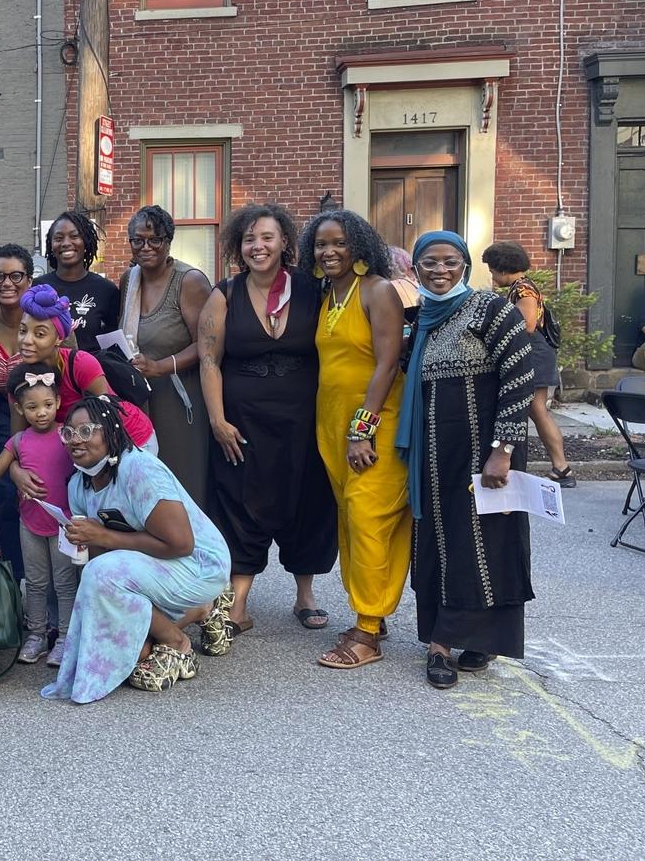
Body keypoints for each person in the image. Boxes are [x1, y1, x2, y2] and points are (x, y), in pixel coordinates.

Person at [397, 231, 534, 689]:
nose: (440, 271)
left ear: (465, 266)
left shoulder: (491, 309)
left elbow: (519, 377)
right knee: (439, 538)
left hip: (486, 446)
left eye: (450, 262)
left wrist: (504, 450)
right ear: (415, 268)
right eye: (429, 262)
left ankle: (482, 638)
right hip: (435, 453)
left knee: (488, 539)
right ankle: (439, 642)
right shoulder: (417, 319)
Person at [197, 203, 337, 636]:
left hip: (304, 419)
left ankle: (305, 595)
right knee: (239, 503)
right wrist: (217, 420)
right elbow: (208, 360)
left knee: (307, 503)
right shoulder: (226, 292)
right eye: (249, 239)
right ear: (238, 246)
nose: (258, 246)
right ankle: (239, 603)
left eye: (267, 237)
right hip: (242, 421)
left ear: (285, 243)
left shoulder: (313, 289)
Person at [43, 397, 231, 703]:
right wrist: (85, 541)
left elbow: (181, 543)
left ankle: (177, 642)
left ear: (112, 431)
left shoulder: (139, 470)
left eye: (87, 431)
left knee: (103, 577)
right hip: (149, 568)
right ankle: (199, 612)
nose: (76, 440)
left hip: (199, 565)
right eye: (69, 433)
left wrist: (104, 536)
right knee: (137, 650)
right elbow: (101, 562)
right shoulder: (79, 484)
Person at [297, 210, 409, 670]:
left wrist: (363, 429)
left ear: (358, 245)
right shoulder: (331, 294)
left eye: (339, 243)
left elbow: (387, 362)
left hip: (371, 425)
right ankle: (369, 615)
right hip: (332, 426)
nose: (329, 252)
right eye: (321, 245)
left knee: (369, 519)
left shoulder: (377, 290)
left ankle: (368, 632)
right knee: (350, 520)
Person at [0, 364, 76, 667]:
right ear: (19, 408)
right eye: (33, 407)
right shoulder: (18, 441)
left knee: (63, 584)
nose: (41, 413)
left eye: (48, 405)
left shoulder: (68, 436)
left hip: (64, 524)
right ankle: (35, 636)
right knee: (35, 582)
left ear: (59, 403)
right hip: (31, 522)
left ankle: (65, 638)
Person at [119, 205, 212, 506]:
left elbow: (208, 345)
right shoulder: (129, 281)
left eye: (154, 240)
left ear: (168, 241)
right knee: (148, 487)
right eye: (138, 240)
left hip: (179, 400)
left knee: (182, 485)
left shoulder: (189, 281)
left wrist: (160, 366)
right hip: (139, 398)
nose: (145, 247)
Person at [17, 284, 157, 453]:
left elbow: (106, 419)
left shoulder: (80, 365)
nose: (26, 340)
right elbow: (18, 439)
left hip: (129, 441)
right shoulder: (20, 377)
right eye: (23, 331)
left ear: (58, 339)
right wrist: (17, 468)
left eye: (39, 334)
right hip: (82, 448)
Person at [481, 240, 575, 488]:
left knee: (537, 410)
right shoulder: (521, 287)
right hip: (535, 352)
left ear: (502, 267)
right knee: (537, 410)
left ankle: (562, 467)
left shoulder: (524, 290)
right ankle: (560, 467)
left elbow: (528, 324)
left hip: (534, 353)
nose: (491, 275)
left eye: (492, 269)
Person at [0, 242, 34, 579]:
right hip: (0, 409)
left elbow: (69, 357)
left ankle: (53, 589)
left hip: (46, 413)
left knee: (42, 492)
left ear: (29, 279)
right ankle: (15, 583)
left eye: (16, 276)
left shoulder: (44, 310)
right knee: (8, 498)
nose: (7, 284)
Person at [39, 211, 120, 353]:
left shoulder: (106, 290)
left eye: (74, 236)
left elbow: (113, 344)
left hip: (92, 372)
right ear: (51, 245)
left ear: (86, 241)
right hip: (48, 372)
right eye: (58, 238)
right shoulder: (38, 288)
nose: (65, 243)